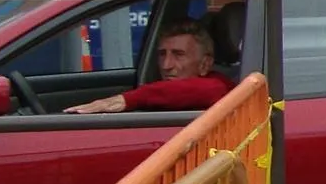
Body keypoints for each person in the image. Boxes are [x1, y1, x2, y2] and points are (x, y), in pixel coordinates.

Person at [67, 18, 233, 114]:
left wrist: (125, 100)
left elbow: (205, 90)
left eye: (178, 55)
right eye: (162, 54)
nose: (166, 65)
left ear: (205, 64)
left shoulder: (219, 86)